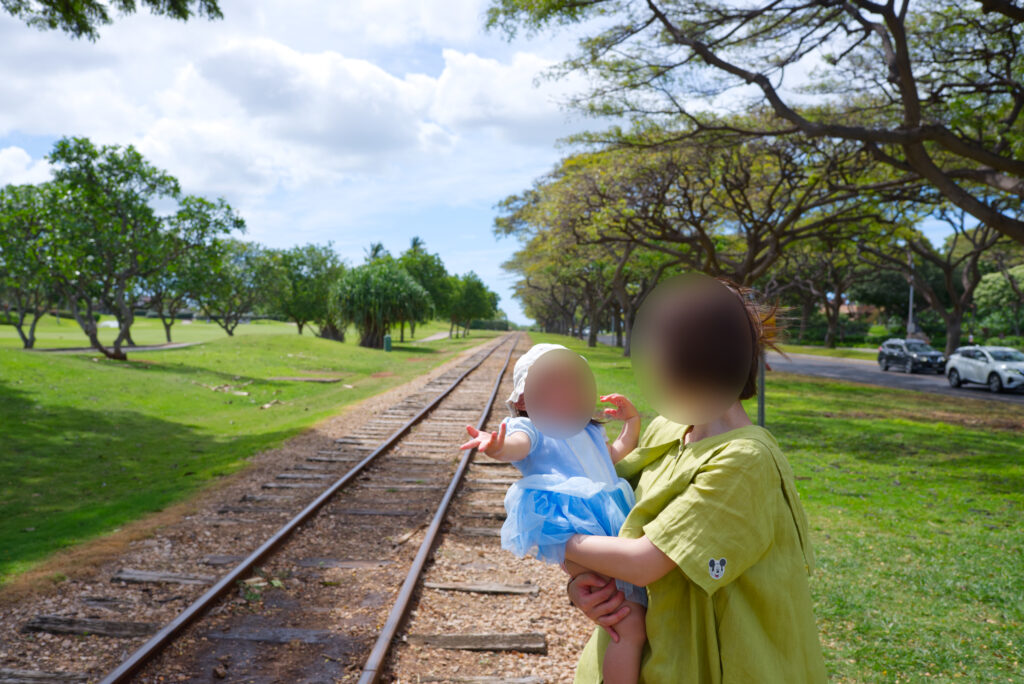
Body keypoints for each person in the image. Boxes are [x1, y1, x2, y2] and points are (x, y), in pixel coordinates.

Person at [562, 274, 827, 683]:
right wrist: (580, 583)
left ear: (689, 357)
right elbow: (602, 517)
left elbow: (642, 563)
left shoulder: (744, 459)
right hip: (646, 654)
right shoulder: (668, 430)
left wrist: (548, 534)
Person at [461, 343, 647, 684]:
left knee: (630, 618)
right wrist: (498, 446)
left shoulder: (588, 430)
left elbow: (613, 456)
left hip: (605, 524)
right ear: (523, 401)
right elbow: (517, 445)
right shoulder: (533, 429)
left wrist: (631, 422)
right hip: (571, 524)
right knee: (629, 625)